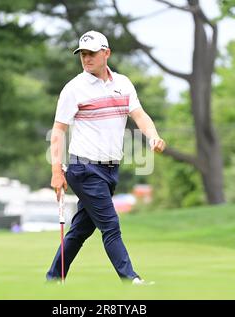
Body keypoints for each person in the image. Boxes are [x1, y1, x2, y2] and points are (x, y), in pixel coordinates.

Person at [46, 30, 166, 285]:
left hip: (111, 170)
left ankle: (54, 278)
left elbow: (140, 115)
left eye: (92, 53)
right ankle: (130, 279)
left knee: (79, 231)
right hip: (84, 168)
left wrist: (153, 136)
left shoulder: (123, 83)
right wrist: (57, 171)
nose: (86, 58)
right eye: (83, 54)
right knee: (111, 226)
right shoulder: (74, 89)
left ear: (106, 53)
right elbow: (58, 131)